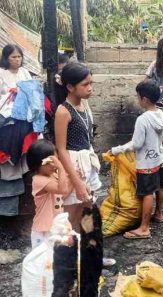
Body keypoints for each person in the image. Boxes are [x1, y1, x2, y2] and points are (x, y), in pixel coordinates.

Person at [110, 80, 163, 239]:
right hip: (159, 157)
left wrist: (117, 149)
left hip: (147, 162)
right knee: (160, 186)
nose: (137, 100)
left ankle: (144, 228)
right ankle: (159, 214)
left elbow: (136, 144)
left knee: (147, 192)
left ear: (145, 99)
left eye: (138, 97)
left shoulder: (143, 119)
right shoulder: (160, 113)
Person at [54, 63, 100, 228]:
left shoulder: (84, 104)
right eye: (85, 84)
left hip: (86, 160)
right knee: (71, 214)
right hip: (73, 165)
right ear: (70, 87)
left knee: (87, 209)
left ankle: (84, 248)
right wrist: (77, 181)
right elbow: (61, 149)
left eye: (91, 83)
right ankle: (68, 249)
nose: (90, 88)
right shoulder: (63, 111)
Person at [27, 140, 71, 248]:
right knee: (42, 260)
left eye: (55, 160)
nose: (53, 165)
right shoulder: (39, 180)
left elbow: (63, 194)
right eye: (48, 162)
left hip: (57, 225)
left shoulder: (52, 176)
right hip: (43, 230)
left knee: (58, 257)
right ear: (36, 164)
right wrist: (60, 167)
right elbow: (63, 189)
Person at [0, 44, 32, 109]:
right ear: (6, 58)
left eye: (19, 56)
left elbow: (31, 92)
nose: (17, 59)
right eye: (14, 57)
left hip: (24, 110)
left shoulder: (24, 72)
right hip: (4, 112)